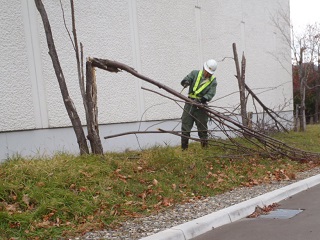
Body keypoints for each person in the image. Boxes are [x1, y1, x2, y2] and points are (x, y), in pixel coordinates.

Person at [180, 59, 218, 150]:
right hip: (189, 103)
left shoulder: (213, 81)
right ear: (203, 68)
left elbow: (211, 94)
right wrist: (186, 82)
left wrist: (203, 99)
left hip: (201, 106)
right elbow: (187, 78)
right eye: (206, 71)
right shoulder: (195, 73)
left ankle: (204, 149)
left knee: (202, 129)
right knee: (185, 126)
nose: (207, 74)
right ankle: (184, 149)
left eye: (209, 73)